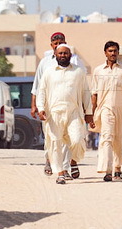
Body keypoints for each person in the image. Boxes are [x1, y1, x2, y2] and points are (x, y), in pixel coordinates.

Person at [36, 43, 93, 185]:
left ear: (70, 55)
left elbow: (86, 92)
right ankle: (60, 173)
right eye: (60, 53)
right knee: (55, 143)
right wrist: (40, 108)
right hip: (53, 113)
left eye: (65, 53)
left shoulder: (78, 72)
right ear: (55, 55)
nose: (63, 56)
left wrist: (89, 112)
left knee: (77, 139)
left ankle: (73, 161)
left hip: (74, 112)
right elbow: (41, 91)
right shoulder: (48, 72)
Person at [91, 40, 122, 181]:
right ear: (105, 53)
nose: (113, 53)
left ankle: (117, 167)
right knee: (106, 137)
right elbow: (94, 93)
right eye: (110, 51)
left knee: (119, 137)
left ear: (118, 52)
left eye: (115, 51)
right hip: (105, 108)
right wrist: (92, 113)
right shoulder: (98, 70)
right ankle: (107, 169)